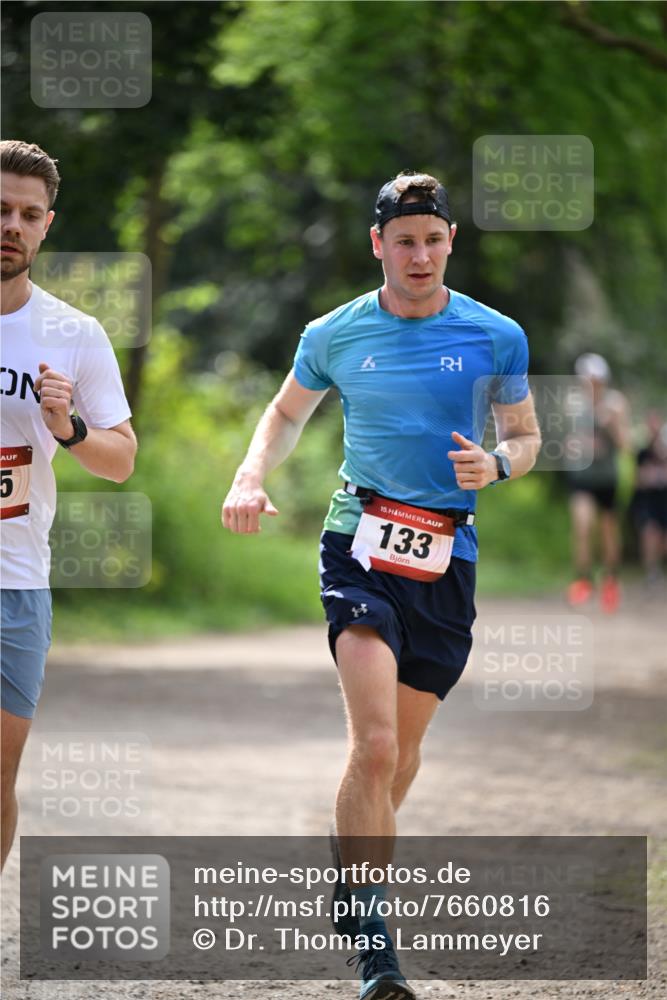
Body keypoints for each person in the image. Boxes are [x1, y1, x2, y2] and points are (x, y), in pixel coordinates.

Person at [222, 171, 541, 1000]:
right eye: (404, 240)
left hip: (445, 556)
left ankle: (350, 861)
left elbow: (526, 433)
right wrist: (251, 473)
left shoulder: (496, 334)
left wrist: (498, 463)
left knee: (401, 756)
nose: (420, 254)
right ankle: (376, 951)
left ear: (450, 243)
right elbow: (287, 412)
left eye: (433, 239)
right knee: (374, 745)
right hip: (357, 541)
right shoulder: (334, 332)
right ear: (377, 245)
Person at [0, 140, 137, 868]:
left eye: (27, 214)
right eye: (1, 210)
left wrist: (69, 427)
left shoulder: (73, 335)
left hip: (15, 582)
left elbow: (120, 459)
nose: (11, 226)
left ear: (46, 225)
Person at [565, 353, 630, 613]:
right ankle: (583, 580)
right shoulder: (573, 404)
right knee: (582, 526)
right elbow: (567, 440)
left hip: (607, 479)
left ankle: (611, 581)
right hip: (582, 478)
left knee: (608, 532)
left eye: (595, 380)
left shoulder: (616, 404)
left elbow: (626, 444)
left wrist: (612, 424)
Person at [631, 410, 667, 587]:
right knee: (650, 534)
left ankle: (657, 568)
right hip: (647, 502)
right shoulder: (642, 453)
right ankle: (651, 571)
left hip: (663, 501)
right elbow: (639, 479)